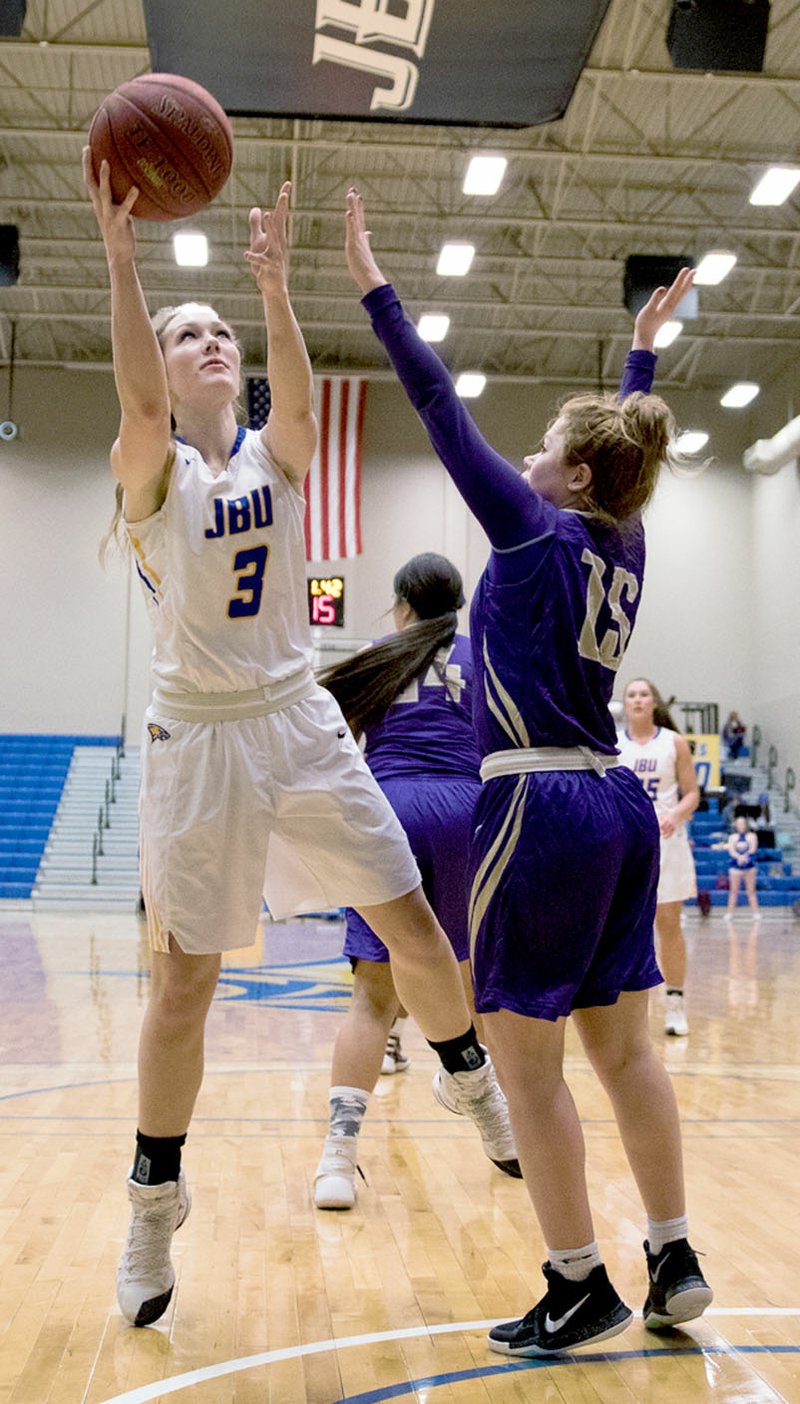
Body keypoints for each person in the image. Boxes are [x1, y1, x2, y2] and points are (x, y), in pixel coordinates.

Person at [83, 152, 518, 1329]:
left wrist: (274, 292)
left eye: (219, 331)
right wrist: (125, 265)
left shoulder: (274, 463)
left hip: (298, 721)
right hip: (201, 743)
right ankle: (153, 1201)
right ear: (165, 377)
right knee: (184, 986)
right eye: (190, 335)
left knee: (413, 924)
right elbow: (131, 401)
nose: (210, 341)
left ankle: (467, 1079)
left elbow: (303, 403)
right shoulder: (152, 471)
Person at [343, 187, 712, 1356]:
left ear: (573, 479)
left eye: (545, 450)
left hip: (539, 804)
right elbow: (627, 437)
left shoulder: (531, 529)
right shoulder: (621, 533)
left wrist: (373, 287)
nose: (525, 455)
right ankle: (671, 1249)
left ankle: (574, 1280)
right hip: (616, 806)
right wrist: (641, 353)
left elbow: (438, 405)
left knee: (527, 1062)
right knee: (623, 1051)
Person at [313, 553, 517, 1208]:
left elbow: (330, 742)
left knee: (374, 997)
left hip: (390, 811)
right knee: (468, 980)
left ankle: (338, 1161)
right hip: (467, 813)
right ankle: (495, 1123)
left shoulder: (379, 652)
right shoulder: (483, 655)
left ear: (401, 603)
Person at [618, 679, 700, 1036]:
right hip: (624, 843)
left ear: (654, 702)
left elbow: (693, 793)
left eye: (644, 694)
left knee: (668, 925)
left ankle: (675, 1005)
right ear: (625, 704)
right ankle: (627, 1014)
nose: (638, 699)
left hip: (666, 840)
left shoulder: (673, 742)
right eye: (632, 694)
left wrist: (676, 814)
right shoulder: (612, 744)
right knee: (623, 930)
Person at [726, 815, 760, 917]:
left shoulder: (752, 836)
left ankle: (756, 913)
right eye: (738, 824)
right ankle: (729, 913)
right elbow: (731, 851)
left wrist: (745, 857)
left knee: (751, 891)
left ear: (746, 825)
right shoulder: (732, 837)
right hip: (735, 867)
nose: (741, 826)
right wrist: (739, 858)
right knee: (733, 891)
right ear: (735, 825)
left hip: (749, 866)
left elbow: (753, 849)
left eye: (742, 824)